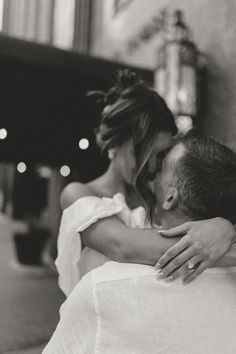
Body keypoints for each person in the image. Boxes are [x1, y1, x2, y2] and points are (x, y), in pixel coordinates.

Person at [43, 130, 236, 354]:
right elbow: (121, 242)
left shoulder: (101, 289)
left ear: (171, 197)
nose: (150, 173)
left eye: (160, 165)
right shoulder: (118, 216)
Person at [57, 70, 236, 297]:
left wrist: (224, 226)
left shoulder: (159, 199)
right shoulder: (78, 194)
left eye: (160, 154)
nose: (151, 165)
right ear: (117, 142)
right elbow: (122, 246)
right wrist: (221, 241)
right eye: (143, 152)